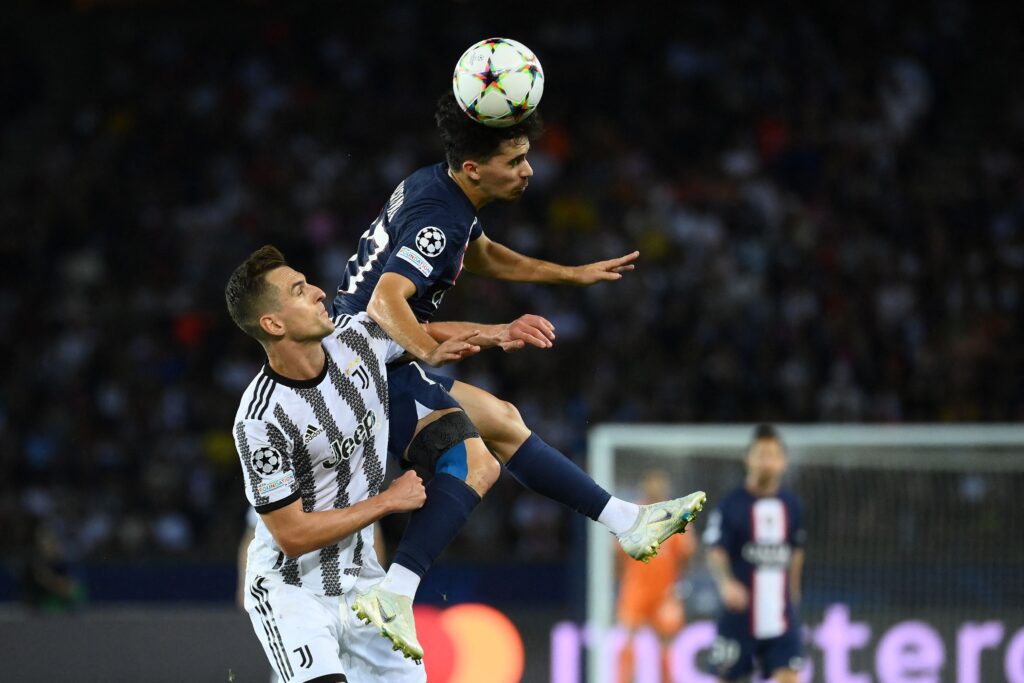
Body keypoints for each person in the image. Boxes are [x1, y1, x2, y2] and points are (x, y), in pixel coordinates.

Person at [332, 95, 706, 656]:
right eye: (514, 161)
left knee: (503, 420)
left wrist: (569, 275)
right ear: (474, 168)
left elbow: (482, 255)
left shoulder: (439, 188)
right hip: (363, 366)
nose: (529, 170)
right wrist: (429, 348)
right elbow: (386, 300)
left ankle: (629, 522)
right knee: (476, 463)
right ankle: (395, 593)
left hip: (371, 356)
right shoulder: (440, 217)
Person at [225, 245, 523, 679]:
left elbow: (422, 331)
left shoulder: (356, 339)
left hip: (364, 583)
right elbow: (291, 535)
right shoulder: (261, 421)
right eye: (299, 290)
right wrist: (388, 501)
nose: (319, 292)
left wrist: (497, 332)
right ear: (273, 324)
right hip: (293, 592)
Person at [703, 424, 806, 683]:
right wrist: (726, 583)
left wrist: (794, 592)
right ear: (748, 458)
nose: (766, 462)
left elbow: (796, 551)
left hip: (781, 615)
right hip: (739, 616)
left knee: (790, 677)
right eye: (761, 454)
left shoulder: (792, 505)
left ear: (783, 462)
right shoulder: (731, 504)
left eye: (772, 455)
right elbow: (715, 550)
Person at [615, 470, 697, 683]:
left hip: (665, 593)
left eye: (660, 485)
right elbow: (617, 553)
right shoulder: (633, 515)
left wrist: (676, 585)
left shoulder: (676, 516)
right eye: (652, 484)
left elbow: (687, 554)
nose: (656, 489)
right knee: (629, 639)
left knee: (666, 644)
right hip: (636, 589)